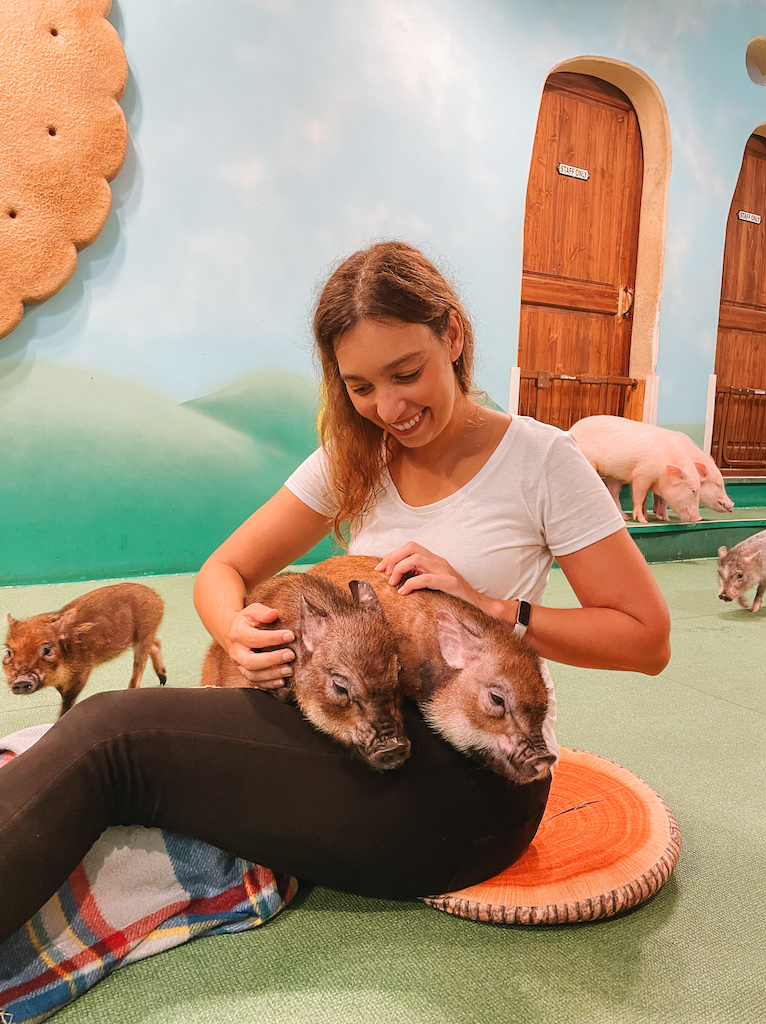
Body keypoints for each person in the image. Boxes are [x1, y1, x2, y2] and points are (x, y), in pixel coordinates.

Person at [0, 241, 670, 945]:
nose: (389, 406)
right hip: (356, 741)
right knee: (105, 742)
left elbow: (646, 639)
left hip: (470, 786)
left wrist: (493, 608)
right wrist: (238, 634)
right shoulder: (357, 456)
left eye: (405, 373)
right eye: (361, 386)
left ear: (453, 335)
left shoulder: (542, 461)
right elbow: (221, 571)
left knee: (115, 738)